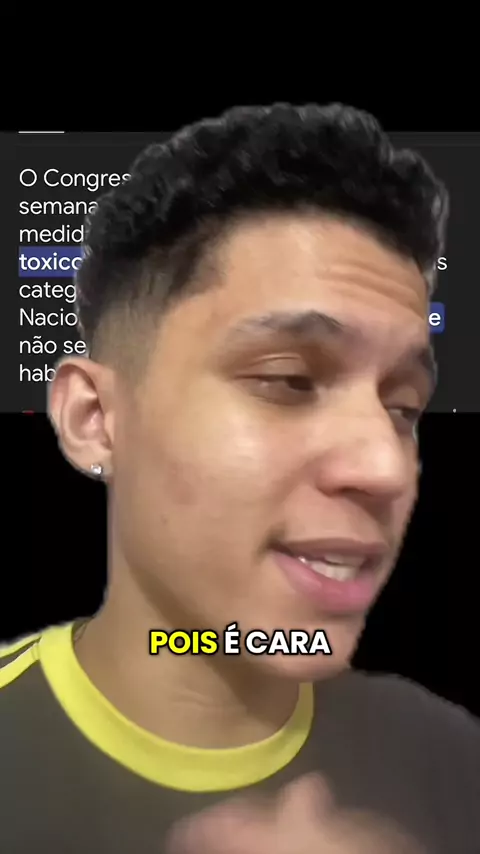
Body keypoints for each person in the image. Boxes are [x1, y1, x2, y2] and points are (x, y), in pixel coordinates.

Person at [1, 104, 478, 853]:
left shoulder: (451, 756)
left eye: (403, 407)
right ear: (94, 419)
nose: (386, 467)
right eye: (288, 381)